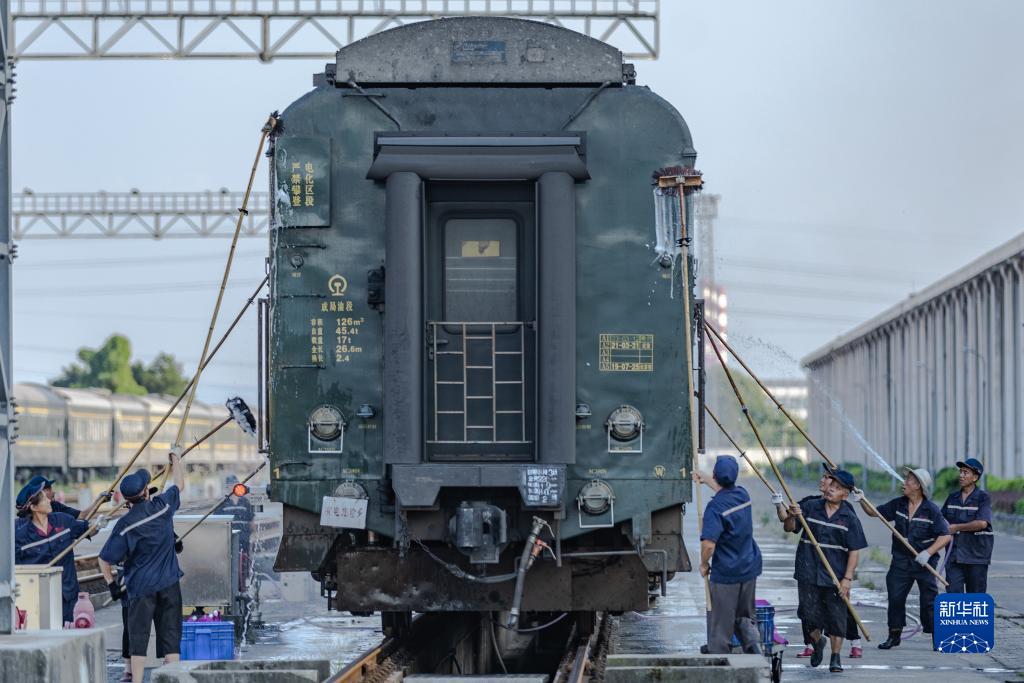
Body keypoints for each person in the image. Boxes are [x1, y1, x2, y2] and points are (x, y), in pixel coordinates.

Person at [99, 450, 185, 683]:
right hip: (168, 583)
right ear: (147, 491)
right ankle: (173, 678)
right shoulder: (163, 507)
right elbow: (179, 484)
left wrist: (111, 585)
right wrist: (175, 458)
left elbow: (104, 559)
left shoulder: (124, 524)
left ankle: (136, 680)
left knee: (139, 637)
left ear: (127, 500)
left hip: (140, 588)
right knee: (170, 636)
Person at [780, 468, 865, 673]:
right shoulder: (810, 507)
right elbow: (789, 527)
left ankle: (836, 658)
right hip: (807, 570)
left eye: (836, 488)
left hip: (834, 576)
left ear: (845, 494)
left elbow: (854, 551)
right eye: (830, 486)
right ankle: (818, 642)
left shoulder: (849, 517)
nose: (830, 490)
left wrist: (847, 579)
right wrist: (791, 515)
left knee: (837, 618)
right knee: (808, 615)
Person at [858, 467, 951, 650]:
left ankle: (936, 637)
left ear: (918, 486)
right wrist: (861, 499)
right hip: (901, 561)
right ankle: (894, 635)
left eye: (909, 480)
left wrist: (928, 553)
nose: (904, 483)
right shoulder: (899, 504)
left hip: (924, 563)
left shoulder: (931, 510)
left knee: (929, 601)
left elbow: (945, 536)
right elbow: (873, 513)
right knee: (895, 598)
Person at [694, 456, 763, 655]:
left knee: (721, 621)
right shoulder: (743, 495)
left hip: (727, 573)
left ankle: (719, 659)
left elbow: (708, 545)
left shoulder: (715, 508)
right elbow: (724, 493)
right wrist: (706, 479)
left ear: (716, 474)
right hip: (749, 566)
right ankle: (754, 649)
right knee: (745, 615)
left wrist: (703, 564)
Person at [14, 478, 90, 626]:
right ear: (34, 507)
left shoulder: (63, 521)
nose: (49, 500)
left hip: (69, 597)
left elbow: (87, 529)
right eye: (44, 499)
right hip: (39, 602)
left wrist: (98, 525)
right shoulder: (19, 536)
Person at [940, 458, 993, 593]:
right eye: (961, 472)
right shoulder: (952, 497)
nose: (961, 475)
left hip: (976, 558)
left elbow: (982, 523)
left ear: (975, 477)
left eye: (965, 472)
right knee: (953, 596)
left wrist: (956, 527)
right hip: (954, 557)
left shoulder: (983, 498)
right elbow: (940, 521)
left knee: (974, 599)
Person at [214, 474, 257, 589]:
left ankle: (242, 586)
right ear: (227, 487)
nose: (232, 486)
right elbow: (217, 523)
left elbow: (252, 522)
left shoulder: (245, 502)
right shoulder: (222, 503)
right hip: (228, 540)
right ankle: (230, 587)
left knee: (243, 564)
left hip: (244, 539)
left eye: (234, 484)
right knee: (230, 565)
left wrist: (252, 534)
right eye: (230, 485)